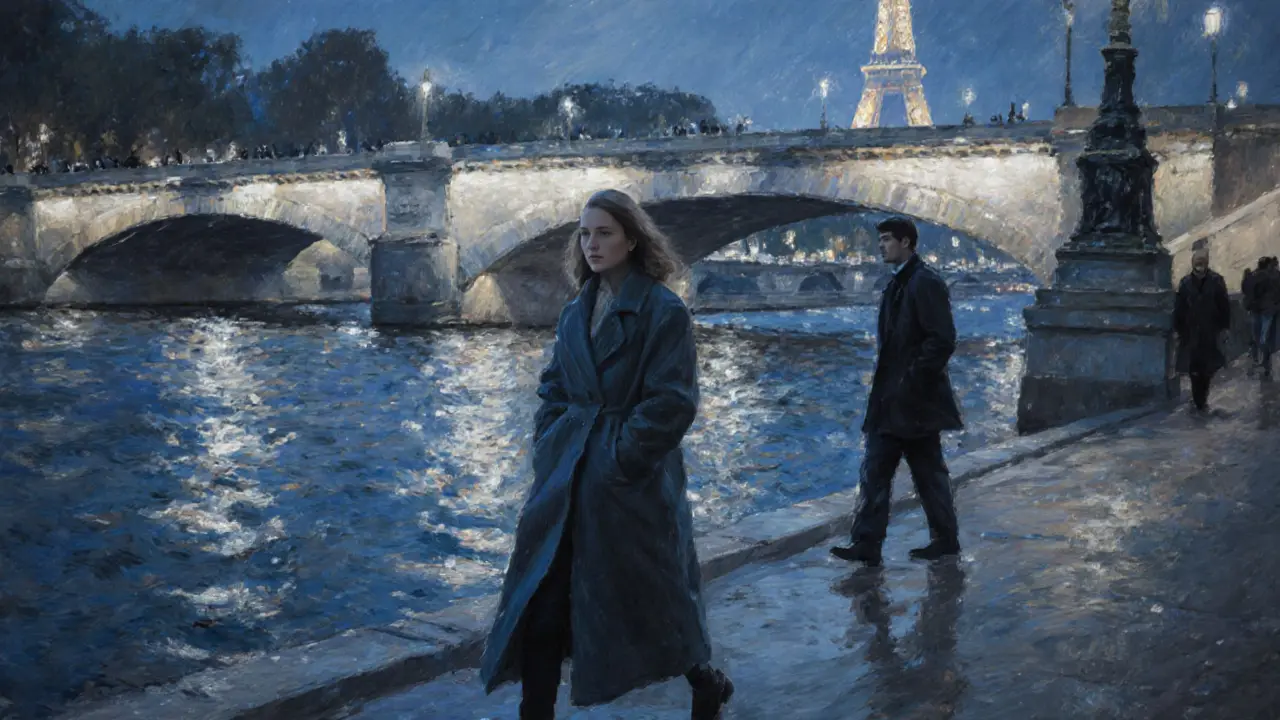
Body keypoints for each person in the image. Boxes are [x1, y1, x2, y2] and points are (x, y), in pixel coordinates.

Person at [479, 189, 734, 719]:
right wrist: (551, 439)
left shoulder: (663, 310)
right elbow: (553, 386)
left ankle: (703, 678)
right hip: (567, 478)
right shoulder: (576, 311)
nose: (592, 244)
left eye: (604, 233)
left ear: (632, 239)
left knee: (655, 602)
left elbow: (672, 402)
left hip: (629, 488)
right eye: (585, 233)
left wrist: (618, 460)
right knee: (544, 605)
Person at [831, 217, 963, 567]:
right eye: (881, 240)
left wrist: (911, 382)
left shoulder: (924, 283)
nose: (881, 246)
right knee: (879, 471)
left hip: (913, 402)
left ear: (907, 242)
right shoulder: (901, 284)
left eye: (887, 240)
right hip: (895, 401)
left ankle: (941, 540)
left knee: (924, 474)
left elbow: (942, 339)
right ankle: (868, 543)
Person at [1174, 248, 1231, 410]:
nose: (1200, 265)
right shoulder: (1185, 283)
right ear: (1193, 264)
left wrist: (1225, 327)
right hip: (1190, 332)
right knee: (1193, 368)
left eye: (1202, 262)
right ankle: (1198, 399)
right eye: (1197, 262)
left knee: (1207, 368)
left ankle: (1202, 396)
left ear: (1206, 263)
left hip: (1209, 331)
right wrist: (1178, 328)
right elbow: (1180, 307)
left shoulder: (1217, 280)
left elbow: (1224, 305)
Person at [1254, 256, 1280, 379]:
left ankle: (1265, 360)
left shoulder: (1261, 276)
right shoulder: (1274, 276)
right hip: (1271, 309)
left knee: (1262, 337)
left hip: (1264, 310)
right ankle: (1267, 359)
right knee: (1268, 336)